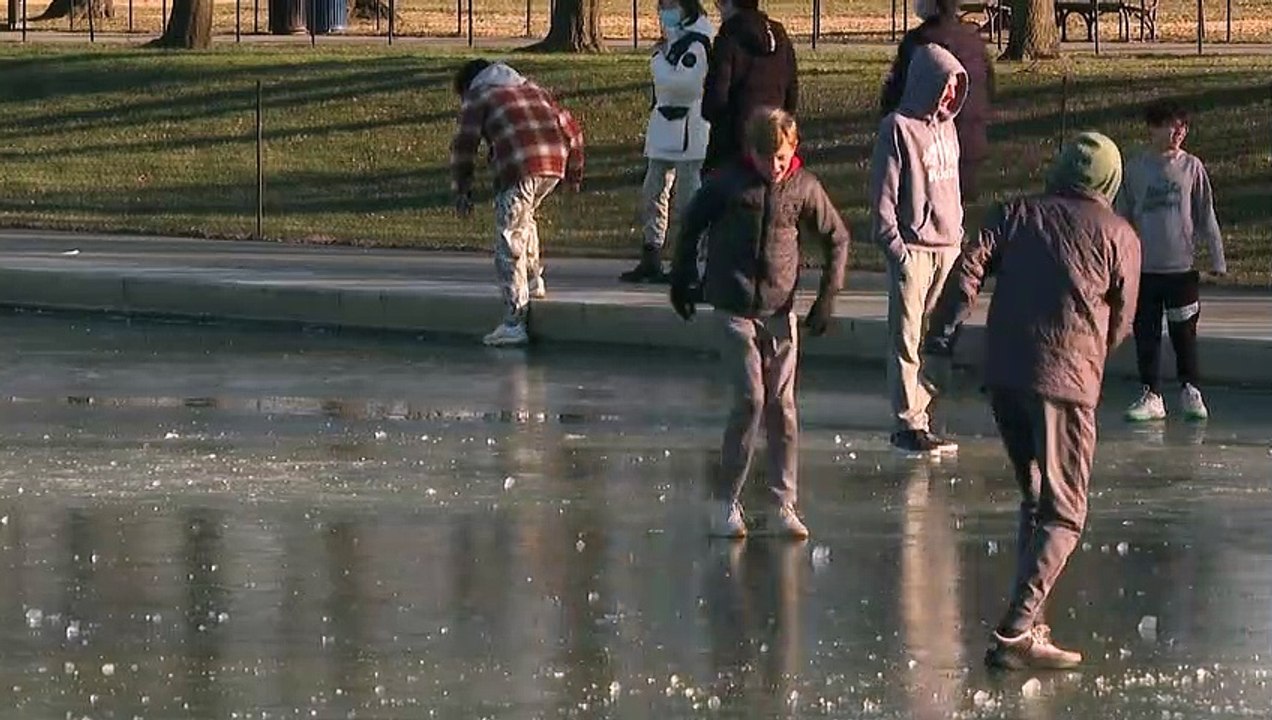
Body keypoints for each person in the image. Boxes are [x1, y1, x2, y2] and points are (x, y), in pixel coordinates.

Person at [924, 131, 1142, 670]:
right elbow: (1122, 319)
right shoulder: (1120, 235)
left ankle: (1027, 626)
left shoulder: (1016, 213)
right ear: (1110, 183)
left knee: (1037, 496)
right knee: (1065, 513)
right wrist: (1090, 356)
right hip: (1065, 381)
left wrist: (940, 340)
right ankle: (1017, 626)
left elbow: (968, 267)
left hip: (1006, 374)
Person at [669, 108, 850, 540]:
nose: (775, 167)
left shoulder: (803, 187)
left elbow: (837, 237)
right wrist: (683, 279)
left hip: (779, 310)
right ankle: (725, 501)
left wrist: (827, 297)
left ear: (794, 150)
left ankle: (782, 502)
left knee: (783, 408)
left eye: (783, 158)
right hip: (733, 306)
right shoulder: (729, 183)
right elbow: (691, 224)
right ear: (751, 152)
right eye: (767, 158)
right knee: (751, 398)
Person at [870, 43, 967, 456]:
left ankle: (921, 412)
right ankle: (908, 423)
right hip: (913, 247)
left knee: (936, 339)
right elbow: (883, 198)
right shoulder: (897, 128)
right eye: (944, 84)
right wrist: (898, 250)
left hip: (948, 246)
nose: (948, 94)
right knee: (907, 337)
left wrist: (958, 236)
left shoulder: (949, 127)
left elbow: (953, 185)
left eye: (955, 86)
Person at [450, 59, 584, 347]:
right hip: (554, 162)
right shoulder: (533, 88)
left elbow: (465, 143)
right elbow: (572, 129)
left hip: (519, 165)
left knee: (508, 240)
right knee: (525, 218)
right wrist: (574, 173)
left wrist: (462, 187)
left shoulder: (479, 94)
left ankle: (514, 321)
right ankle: (534, 281)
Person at [1117, 99, 1227, 422]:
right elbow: (1121, 218)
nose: (1179, 131)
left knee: (1184, 333)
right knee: (1147, 334)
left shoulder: (1192, 167)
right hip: (1145, 270)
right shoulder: (1135, 169)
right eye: (1171, 125)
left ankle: (1190, 389)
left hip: (1180, 270)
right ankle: (1151, 394)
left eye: (1183, 126)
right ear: (1153, 128)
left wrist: (1217, 257)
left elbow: (1206, 215)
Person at [620, 0, 716, 284]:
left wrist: (657, 61)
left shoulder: (698, 44)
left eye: (671, 4)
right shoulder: (672, 43)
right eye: (661, 5)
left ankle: (689, 261)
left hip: (691, 130)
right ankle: (651, 254)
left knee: (690, 198)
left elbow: (683, 85)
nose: (664, 10)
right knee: (653, 193)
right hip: (663, 127)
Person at [880, 0, 995, 202]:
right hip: (973, 141)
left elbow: (896, 93)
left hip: (930, 149)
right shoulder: (974, 40)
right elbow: (990, 87)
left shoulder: (918, 42)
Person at [700, 0, 797, 175]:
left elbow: (715, 101)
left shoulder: (729, 37)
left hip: (732, 150)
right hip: (774, 144)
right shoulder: (779, 34)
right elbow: (791, 94)